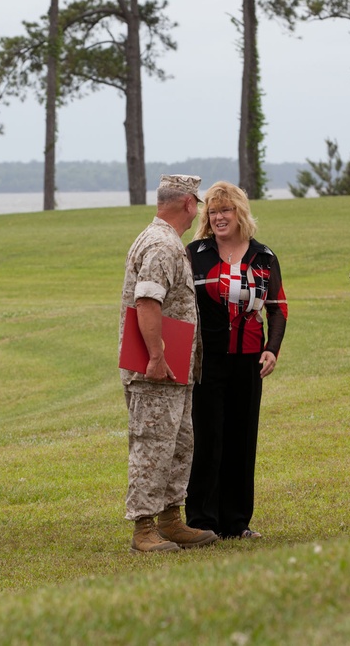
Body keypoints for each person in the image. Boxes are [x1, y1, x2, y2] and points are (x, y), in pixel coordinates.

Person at [119, 174, 218, 553]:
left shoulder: (167, 241)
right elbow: (147, 303)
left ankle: (170, 520)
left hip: (174, 366)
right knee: (152, 446)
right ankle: (144, 528)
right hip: (156, 369)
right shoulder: (161, 244)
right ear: (189, 204)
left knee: (178, 444)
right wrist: (156, 356)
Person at [184, 181, 287, 540]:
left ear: (239, 212)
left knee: (242, 440)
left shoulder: (264, 257)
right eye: (212, 212)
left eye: (225, 210)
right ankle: (200, 521)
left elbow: (277, 309)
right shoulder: (194, 253)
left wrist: (271, 349)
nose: (218, 217)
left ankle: (236, 522)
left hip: (248, 362)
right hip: (206, 362)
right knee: (207, 439)